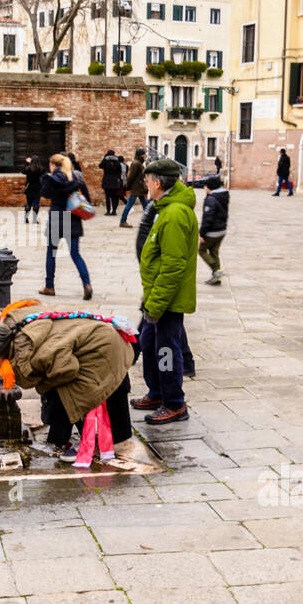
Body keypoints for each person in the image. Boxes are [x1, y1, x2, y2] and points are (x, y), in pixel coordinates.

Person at [0, 302, 135, 463]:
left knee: (68, 393)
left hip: (104, 351)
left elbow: (68, 370)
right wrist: (3, 316)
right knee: (55, 387)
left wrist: (43, 385)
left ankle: (82, 442)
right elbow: (32, 305)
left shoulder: (39, 355)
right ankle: (60, 438)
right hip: (98, 336)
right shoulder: (16, 325)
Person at [131, 158, 198, 425]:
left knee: (166, 351)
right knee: (148, 343)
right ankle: (157, 393)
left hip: (168, 300)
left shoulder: (174, 214)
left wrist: (156, 305)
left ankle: (174, 403)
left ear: (158, 183)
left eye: (147, 180)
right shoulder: (165, 208)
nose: (145, 185)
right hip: (157, 296)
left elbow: (173, 266)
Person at [40, 154, 93, 299]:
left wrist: (48, 177)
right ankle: (86, 284)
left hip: (57, 217)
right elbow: (87, 199)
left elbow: (44, 193)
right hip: (73, 217)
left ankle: (49, 286)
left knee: (51, 253)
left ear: (53, 165)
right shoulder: (76, 179)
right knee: (75, 254)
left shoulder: (52, 179)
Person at [198, 176, 229, 286]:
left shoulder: (211, 199)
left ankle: (216, 271)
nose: (204, 188)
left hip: (212, 232)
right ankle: (217, 278)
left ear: (210, 187)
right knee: (214, 252)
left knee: (201, 250)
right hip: (222, 230)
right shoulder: (222, 196)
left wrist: (202, 234)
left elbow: (208, 218)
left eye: (205, 186)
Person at [119, 148, 148, 227]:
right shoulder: (136, 163)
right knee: (129, 204)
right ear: (141, 155)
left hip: (139, 187)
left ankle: (149, 221)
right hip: (136, 188)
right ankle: (123, 221)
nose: (145, 155)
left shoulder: (139, 163)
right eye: (144, 154)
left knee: (145, 205)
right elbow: (131, 176)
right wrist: (127, 185)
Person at [99, 150, 124, 216]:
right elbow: (120, 171)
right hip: (114, 181)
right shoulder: (117, 161)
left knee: (107, 197)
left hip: (107, 181)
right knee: (114, 197)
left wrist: (104, 159)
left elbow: (100, 166)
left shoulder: (105, 160)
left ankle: (108, 211)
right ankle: (114, 211)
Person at [22, 156, 42, 223]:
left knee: (28, 204)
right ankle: (34, 219)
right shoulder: (41, 169)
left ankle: (26, 219)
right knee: (36, 204)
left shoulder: (28, 169)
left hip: (29, 189)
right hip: (38, 189)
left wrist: (27, 163)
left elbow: (23, 171)